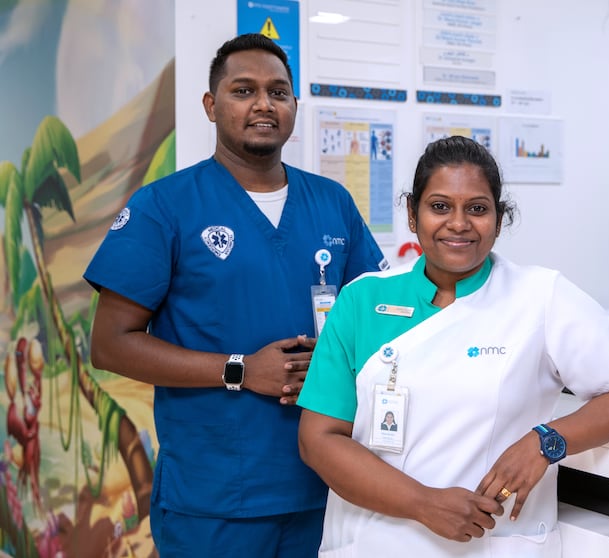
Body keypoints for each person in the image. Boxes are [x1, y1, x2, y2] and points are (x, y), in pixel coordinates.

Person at [83, 33, 387, 558]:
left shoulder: (332, 203)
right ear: (211, 104)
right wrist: (240, 370)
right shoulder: (165, 207)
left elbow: (375, 317)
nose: (264, 104)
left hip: (327, 484)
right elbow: (110, 344)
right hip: (216, 498)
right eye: (243, 90)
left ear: (294, 106)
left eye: (279, 92)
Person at [297, 135, 609, 557]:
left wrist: (544, 441)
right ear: (412, 216)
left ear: (499, 218)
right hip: (373, 542)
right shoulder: (361, 299)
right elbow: (319, 439)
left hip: (492, 544)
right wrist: (423, 503)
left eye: (477, 208)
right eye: (439, 207)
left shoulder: (541, 297)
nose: (459, 223)